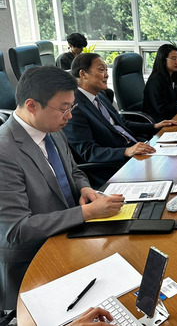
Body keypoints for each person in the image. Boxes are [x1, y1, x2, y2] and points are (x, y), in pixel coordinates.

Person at [0, 66, 124, 313]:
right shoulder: (4, 152)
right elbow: (16, 230)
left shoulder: (52, 130)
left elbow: (74, 170)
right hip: (34, 262)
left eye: (72, 107)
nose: (69, 116)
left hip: (70, 238)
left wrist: (85, 188)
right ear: (32, 105)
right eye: (64, 108)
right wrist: (87, 213)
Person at [63, 54, 177, 186]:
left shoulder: (100, 96)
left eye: (107, 70)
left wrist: (154, 126)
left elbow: (121, 124)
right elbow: (88, 152)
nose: (107, 75)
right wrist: (126, 151)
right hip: (117, 166)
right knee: (172, 176)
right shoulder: (74, 107)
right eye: (101, 70)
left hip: (136, 152)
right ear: (83, 74)